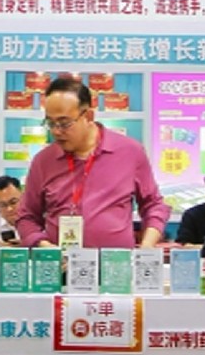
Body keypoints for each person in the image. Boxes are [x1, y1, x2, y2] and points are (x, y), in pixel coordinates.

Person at [15, 77, 170, 249]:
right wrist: (44, 246)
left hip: (116, 262)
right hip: (61, 263)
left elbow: (153, 205)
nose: (56, 131)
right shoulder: (43, 161)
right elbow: (26, 217)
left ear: (88, 116)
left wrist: (147, 244)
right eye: (50, 123)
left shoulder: (130, 152)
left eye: (64, 123)